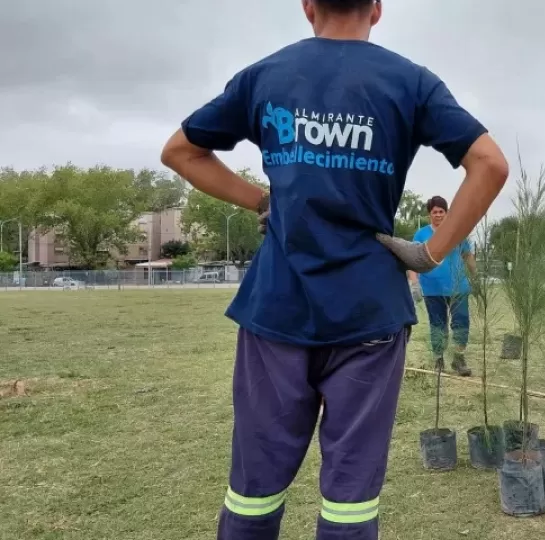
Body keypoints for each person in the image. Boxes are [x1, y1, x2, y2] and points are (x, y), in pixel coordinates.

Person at [159, 1, 508, 538]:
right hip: (369, 311)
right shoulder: (411, 82)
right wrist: (431, 253)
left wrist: (261, 201)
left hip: (277, 307)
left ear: (307, 6)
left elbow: (181, 152)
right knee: (350, 502)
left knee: (253, 494)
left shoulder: (264, 77)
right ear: (376, 8)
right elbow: (490, 163)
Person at [409, 195, 475, 377]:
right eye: (434, 212)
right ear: (430, 215)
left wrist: (475, 278)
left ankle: (459, 359)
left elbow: (468, 256)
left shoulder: (457, 232)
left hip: (458, 288)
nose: (438, 215)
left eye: (441, 211)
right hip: (432, 289)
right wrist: (414, 284)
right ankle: (438, 358)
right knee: (438, 325)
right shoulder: (421, 234)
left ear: (447, 213)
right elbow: (412, 260)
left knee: (461, 323)